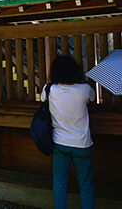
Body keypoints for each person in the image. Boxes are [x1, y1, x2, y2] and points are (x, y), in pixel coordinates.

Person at [41, 55, 95, 209]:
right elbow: (92, 98)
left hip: (60, 143)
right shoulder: (84, 89)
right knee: (86, 185)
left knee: (59, 183)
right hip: (82, 143)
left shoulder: (49, 89)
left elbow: (42, 99)